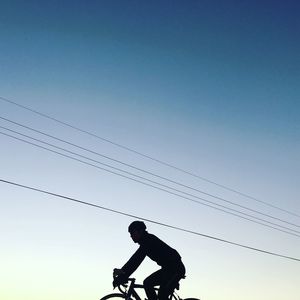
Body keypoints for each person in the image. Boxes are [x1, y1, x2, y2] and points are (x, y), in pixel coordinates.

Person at [113, 221, 186, 300]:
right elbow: (135, 259)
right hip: (168, 269)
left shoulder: (148, 240)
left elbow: (136, 260)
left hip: (176, 269)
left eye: (132, 232)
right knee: (147, 283)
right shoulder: (145, 241)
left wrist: (123, 273)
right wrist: (123, 273)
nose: (131, 236)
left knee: (162, 295)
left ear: (140, 231)